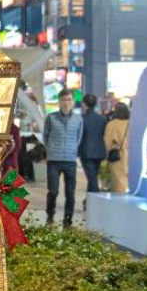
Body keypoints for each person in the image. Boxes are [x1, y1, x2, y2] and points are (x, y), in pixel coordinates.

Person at [43, 89, 83, 228]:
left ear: (73, 102)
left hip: (70, 161)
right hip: (54, 160)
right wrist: (51, 150)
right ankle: (50, 213)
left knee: (70, 193)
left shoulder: (78, 119)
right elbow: (45, 136)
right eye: (64, 100)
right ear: (59, 101)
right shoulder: (51, 118)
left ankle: (68, 218)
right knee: (53, 190)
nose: (66, 102)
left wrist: (72, 150)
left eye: (69, 100)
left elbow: (78, 137)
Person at [78, 93, 107, 202]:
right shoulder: (102, 119)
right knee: (92, 177)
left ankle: (96, 202)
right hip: (99, 152)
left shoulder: (81, 119)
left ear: (84, 104)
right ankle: (88, 201)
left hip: (86, 153)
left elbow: (79, 137)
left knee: (92, 179)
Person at [103, 101, 130, 193]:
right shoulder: (132, 123)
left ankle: (120, 204)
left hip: (118, 158)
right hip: (132, 157)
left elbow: (107, 142)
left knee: (118, 184)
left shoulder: (112, 124)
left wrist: (107, 155)